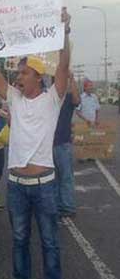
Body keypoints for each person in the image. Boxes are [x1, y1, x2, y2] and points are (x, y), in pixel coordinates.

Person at [0, 7, 71, 279]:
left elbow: (64, 66)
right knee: (19, 239)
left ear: (38, 77)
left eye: (24, 73)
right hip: (16, 186)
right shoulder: (12, 97)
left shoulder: (53, 98)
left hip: (45, 186)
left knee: (50, 241)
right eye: (19, 73)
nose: (18, 76)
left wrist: (64, 32)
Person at [53, 72, 80, 218]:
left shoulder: (68, 98)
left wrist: (72, 78)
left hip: (63, 144)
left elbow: (77, 100)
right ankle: (58, 205)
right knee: (54, 178)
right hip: (47, 145)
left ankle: (67, 206)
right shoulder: (48, 98)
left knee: (66, 176)